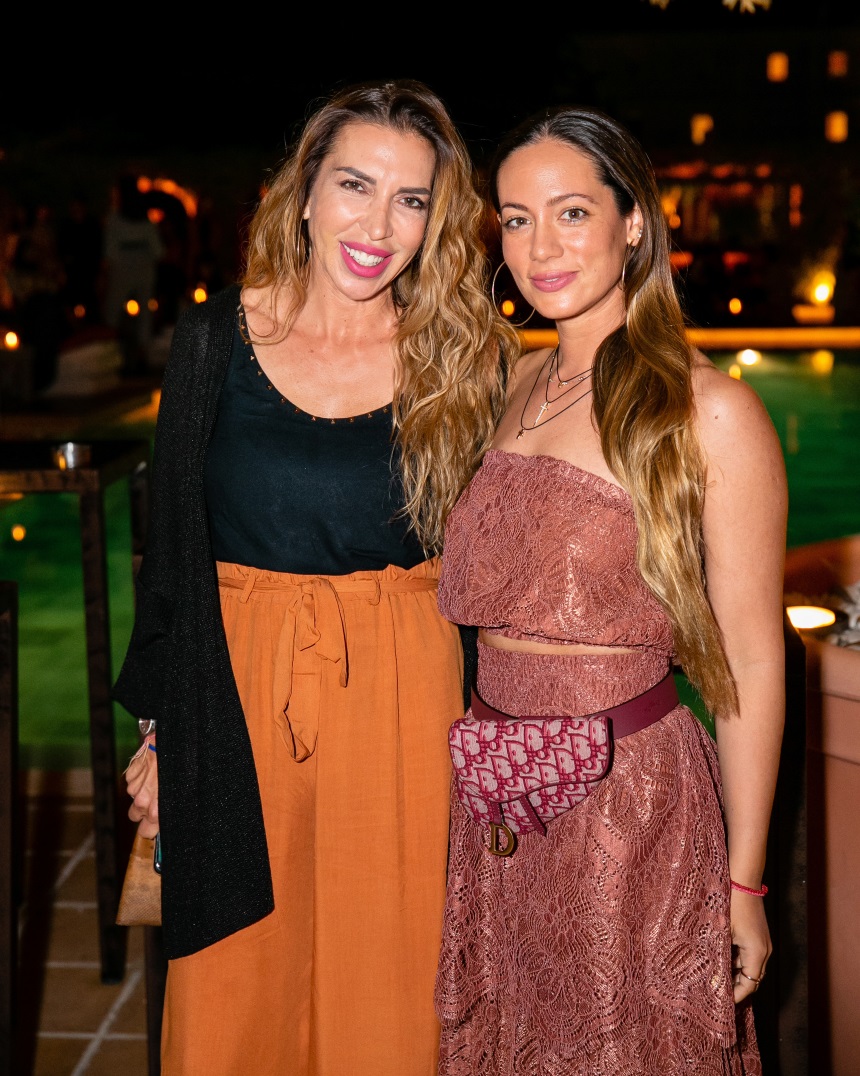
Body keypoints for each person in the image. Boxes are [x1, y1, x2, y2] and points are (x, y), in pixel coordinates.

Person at [115, 79, 516, 1075]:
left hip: (405, 687)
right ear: (302, 194)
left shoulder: (460, 360)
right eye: (354, 185)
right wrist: (162, 731)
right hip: (237, 684)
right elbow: (173, 552)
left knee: (391, 977)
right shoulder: (213, 340)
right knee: (234, 979)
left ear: (434, 221)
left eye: (410, 199)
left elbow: (492, 571)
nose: (378, 226)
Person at [433, 106, 787, 1074]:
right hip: (495, 804)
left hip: (626, 812)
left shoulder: (707, 410)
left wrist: (743, 885)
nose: (539, 247)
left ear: (633, 222)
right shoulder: (515, 385)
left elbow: (751, 661)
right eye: (515, 219)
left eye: (571, 212)